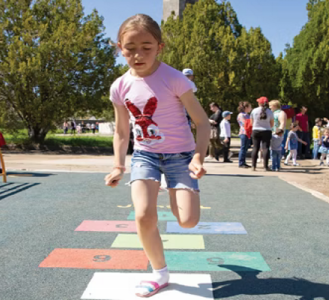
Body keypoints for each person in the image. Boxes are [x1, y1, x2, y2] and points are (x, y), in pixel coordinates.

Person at [103, 14, 210, 298]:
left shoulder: (175, 79)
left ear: (160, 47)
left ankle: (170, 186)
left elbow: (202, 122)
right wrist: (118, 165)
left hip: (181, 157)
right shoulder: (119, 86)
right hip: (145, 156)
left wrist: (198, 157)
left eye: (147, 47)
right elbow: (122, 131)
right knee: (143, 215)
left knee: (187, 221)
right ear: (119, 47)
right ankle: (159, 273)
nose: (138, 54)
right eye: (130, 47)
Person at [250, 97, 274, 171]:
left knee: (255, 148)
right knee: (265, 148)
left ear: (259, 103)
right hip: (266, 130)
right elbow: (272, 124)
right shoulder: (270, 112)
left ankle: (253, 166)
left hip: (256, 130)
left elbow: (251, 122)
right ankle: (265, 167)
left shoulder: (254, 111)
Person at [237, 101, 252, 168]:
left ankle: (244, 161)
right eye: (249, 107)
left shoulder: (247, 115)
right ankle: (241, 162)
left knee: (245, 148)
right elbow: (245, 124)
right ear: (246, 107)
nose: (250, 108)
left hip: (248, 133)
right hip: (244, 132)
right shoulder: (242, 115)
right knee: (243, 148)